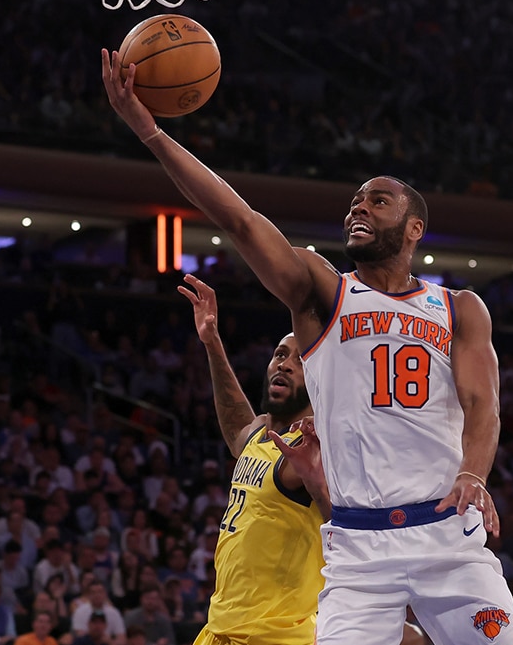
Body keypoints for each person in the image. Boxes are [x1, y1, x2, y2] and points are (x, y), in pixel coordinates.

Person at [104, 51, 513, 645]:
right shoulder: (323, 292)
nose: (359, 206)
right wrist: (150, 132)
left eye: (378, 200)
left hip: (446, 534)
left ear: (415, 228)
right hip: (356, 549)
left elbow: (483, 407)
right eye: (355, 199)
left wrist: (475, 474)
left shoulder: (461, 308)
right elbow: (243, 221)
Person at [176, 275, 425, 645]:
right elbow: (236, 430)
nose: (285, 365)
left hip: (274, 638)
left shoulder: (317, 445)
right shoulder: (261, 434)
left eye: (300, 360)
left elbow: (357, 536)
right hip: (220, 629)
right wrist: (212, 343)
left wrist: (319, 486)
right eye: (280, 355)